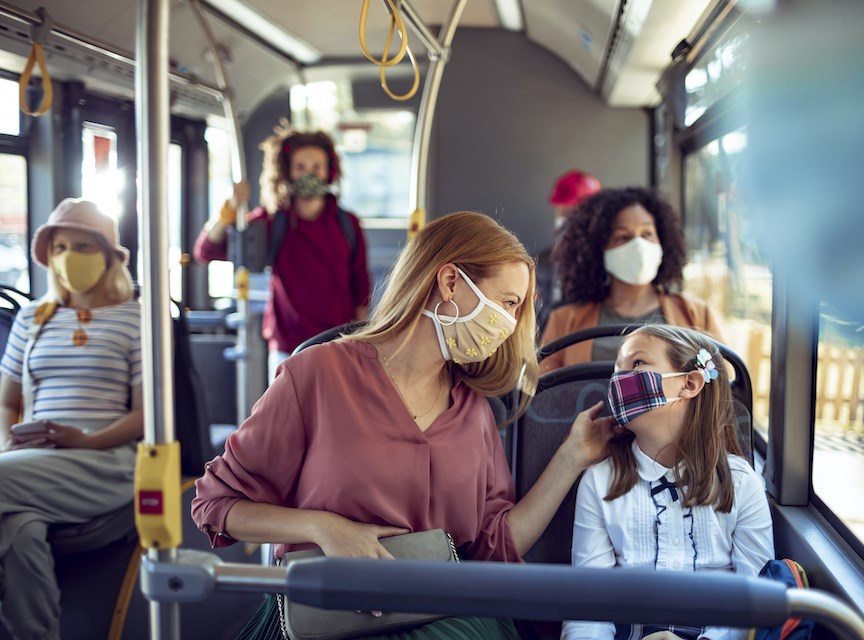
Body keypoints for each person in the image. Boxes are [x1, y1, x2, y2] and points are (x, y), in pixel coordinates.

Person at [191, 211, 616, 639]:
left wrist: (572, 457)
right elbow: (215, 505)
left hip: (442, 620)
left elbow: (495, 549)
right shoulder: (316, 375)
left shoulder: (472, 411)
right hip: (327, 618)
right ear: (450, 282)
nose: (509, 324)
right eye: (508, 303)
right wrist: (323, 528)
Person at [562, 324, 773, 640]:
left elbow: (755, 604)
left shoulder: (741, 483)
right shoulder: (600, 481)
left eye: (636, 364)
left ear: (689, 383)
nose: (618, 379)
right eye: (617, 369)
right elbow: (587, 612)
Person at [0, 199, 142, 640]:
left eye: (82, 245)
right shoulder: (31, 318)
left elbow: (146, 415)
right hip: (34, 460)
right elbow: (6, 403)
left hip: (109, 459)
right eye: (60, 246)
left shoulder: (137, 318)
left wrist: (86, 441)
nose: (69, 257)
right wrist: (7, 442)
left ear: (107, 254)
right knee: (18, 531)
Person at [193, 127, 371, 379]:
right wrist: (232, 205)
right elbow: (206, 250)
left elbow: (360, 285)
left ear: (329, 170)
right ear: (287, 171)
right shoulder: (271, 222)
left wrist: (358, 341)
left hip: (339, 344)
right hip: (287, 348)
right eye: (300, 167)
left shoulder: (348, 224)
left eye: (316, 167)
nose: (309, 174)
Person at [540, 187, 722, 373]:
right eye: (623, 237)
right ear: (597, 250)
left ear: (663, 240)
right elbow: (543, 395)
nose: (638, 246)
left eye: (647, 234)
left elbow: (725, 391)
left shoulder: (698, 315)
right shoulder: (563, 321)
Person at [535, 170, 602, 330]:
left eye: (581, 214)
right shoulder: (539, 266)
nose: (574, 222)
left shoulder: (612, 265)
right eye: (568, 213)